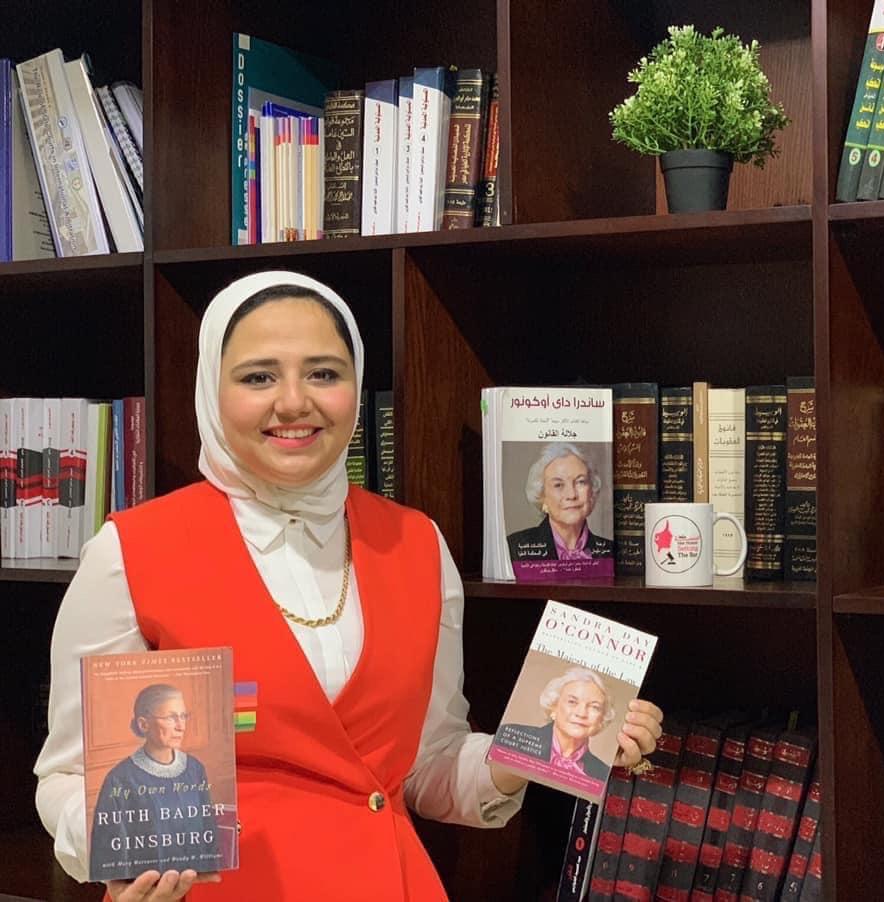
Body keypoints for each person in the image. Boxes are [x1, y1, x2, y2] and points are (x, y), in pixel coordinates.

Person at [34, 271, 664, 901]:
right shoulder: (129, 552)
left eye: (323, 373)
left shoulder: (418, 544)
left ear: (357, 388)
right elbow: (66, 777)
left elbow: (427, 763)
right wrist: (121, 851)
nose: (293, 403)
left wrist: (537, 749)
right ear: (209, 389)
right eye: (258, 377)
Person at [89, 685, 220, 879]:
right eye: (171, 717)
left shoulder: (195, 769)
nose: (181, 726)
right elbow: (112, 854)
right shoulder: (119, 779)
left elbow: (209, 834)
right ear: (144, 724)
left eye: (183, 716)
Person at [495, 667, 617, 782]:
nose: (581, 713)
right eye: (572, 702)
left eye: (594, 707)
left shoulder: (603, 773)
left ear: (602, 719)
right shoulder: (511, 736)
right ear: (553, 707)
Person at [506, 442, 613, 562]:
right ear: (542, 496)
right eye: (558, 485)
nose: (571, 495)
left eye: (580, 482)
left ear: (592, 491)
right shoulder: (513, 548)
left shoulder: (611, 551)